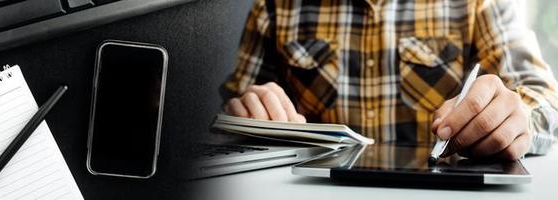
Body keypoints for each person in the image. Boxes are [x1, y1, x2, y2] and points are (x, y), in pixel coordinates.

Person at [221, 0, 558, 160]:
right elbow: (232, 118)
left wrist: (519, 119)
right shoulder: (276, 6)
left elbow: (544, 97)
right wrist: (249, 115)